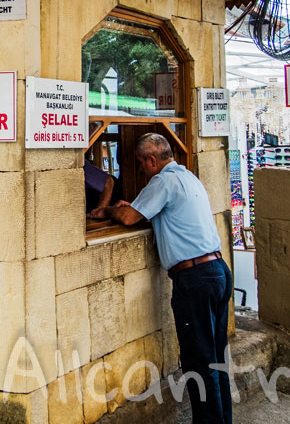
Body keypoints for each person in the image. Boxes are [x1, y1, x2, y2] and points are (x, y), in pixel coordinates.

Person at [91, 132, 232, 424]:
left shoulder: (163, 181)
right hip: (218, 272)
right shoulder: (188, 177)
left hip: (196, 279)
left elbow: (130, 218)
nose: (141, 171)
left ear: (152, 160)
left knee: (199, 363)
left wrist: (110, 210)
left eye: (141, 165)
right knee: (215, 360)